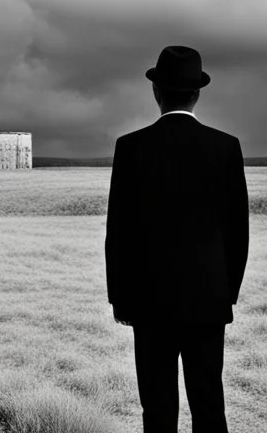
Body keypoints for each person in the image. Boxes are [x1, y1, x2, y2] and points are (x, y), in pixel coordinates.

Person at [106, 45, 248, 433]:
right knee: (208, 404)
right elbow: (238, 231)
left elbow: (118, 231)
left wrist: (120, 297)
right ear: (197, 93)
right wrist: (226, 293)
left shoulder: (130, 147)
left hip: (149, 303)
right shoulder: (226, 147)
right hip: (208, 300)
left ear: (157, 91)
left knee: (157, 407)